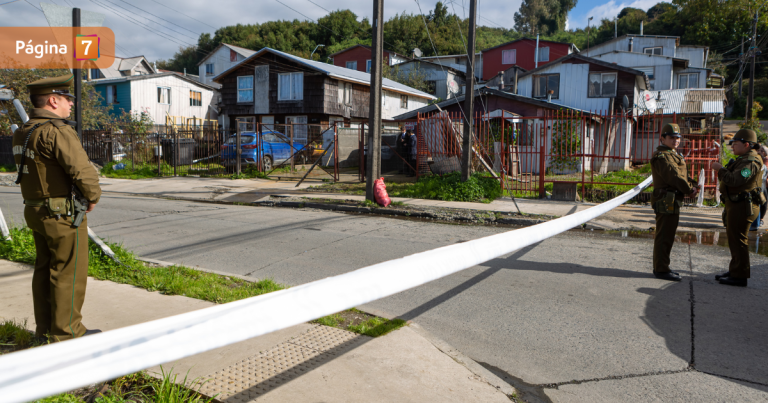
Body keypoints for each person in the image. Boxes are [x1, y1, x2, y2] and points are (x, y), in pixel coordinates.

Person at [12, 74, 102, 341]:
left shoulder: (23, 131)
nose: (71, 104)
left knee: (44, 270)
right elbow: (82, 170)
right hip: (61, 214)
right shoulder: (57, 130)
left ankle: (45, 330)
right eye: (67, 99)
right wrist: (92, 196)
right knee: (68, 273)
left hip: (35, 209)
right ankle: (67, 334)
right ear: (53, 101)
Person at [711, 129, 764, 287]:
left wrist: (720, 169)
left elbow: (735, 180)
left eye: (735, 143)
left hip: (743, 205)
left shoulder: (751, 161)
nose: (732, 146)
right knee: (734, 239)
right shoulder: (744, 159)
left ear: (746, 144)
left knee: (739, 239)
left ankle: (740, 275)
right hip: (737, 204)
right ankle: (735, 269)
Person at [650, 123, 699, 282]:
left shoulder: (672, 154)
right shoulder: (662, 156)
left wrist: (692, 185)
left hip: (672, 199)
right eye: (671, 137)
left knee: (668, 235)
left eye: (677, 138)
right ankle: (661, 269)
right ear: (663, 138)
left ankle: (662, 266)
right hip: (666, 199)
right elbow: (674, 177)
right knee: (664, 235)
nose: (675, 140)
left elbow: (681, 175)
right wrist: (689, 189)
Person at [749, 145, 768, 231]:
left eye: (761, 150)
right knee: (758, 204)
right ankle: (756, 223)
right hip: (760, 188)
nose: (759, 152)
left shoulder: (762, 164)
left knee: (759, 204)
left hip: (759, 188)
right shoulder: (759, 163)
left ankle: (757, 222)